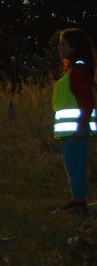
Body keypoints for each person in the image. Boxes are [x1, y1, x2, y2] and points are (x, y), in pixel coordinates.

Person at [50, 28, 96, 215]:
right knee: (72, 165)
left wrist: (80, 127)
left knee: (76, 166)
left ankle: (79, 204)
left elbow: (87, 101)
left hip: (77, 131)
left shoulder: (78, 71)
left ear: (74, 47)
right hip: (71, 131)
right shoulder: (74, 70)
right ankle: (77, 201)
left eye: (63, 44)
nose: (59, 48)